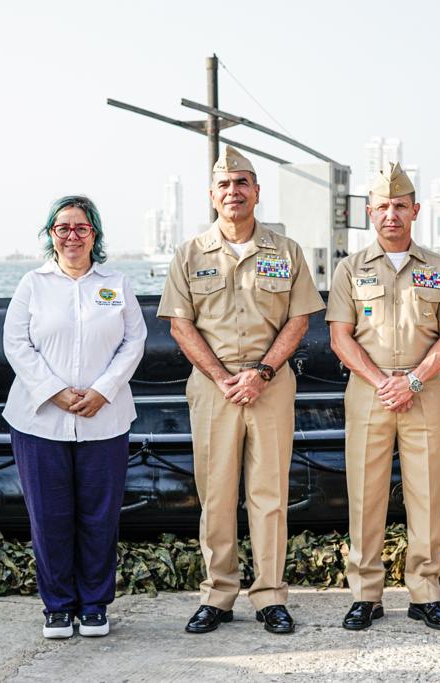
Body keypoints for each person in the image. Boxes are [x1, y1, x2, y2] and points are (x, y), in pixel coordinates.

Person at [158, 146, 325, 635]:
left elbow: (299, 318)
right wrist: (221, 376)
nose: (234, 192)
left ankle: (270, 596)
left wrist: (262, 373)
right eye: (225, 185)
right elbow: (180, 325)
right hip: (213, 388)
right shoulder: (190, 254)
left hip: (270, 385)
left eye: (242, 183)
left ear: (256, 191)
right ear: (213, 196)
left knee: (269, 494)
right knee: (215, 494)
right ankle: (218, 594)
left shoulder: (285, 251)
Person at [327, 162, 440, 632]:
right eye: (383, 206)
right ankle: (366, 594)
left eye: (400, 206)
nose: (392, 214)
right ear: (370, 212)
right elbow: (340, 338)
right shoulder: (350, 268)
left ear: (416, 211)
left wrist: (414, 380)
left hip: (423, 390)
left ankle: (425, 593)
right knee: (364, 496)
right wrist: (381, 379)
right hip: (368, 391)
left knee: (427, 494)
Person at [3, 196, 146, 639]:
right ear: (51, 235)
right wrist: (55, 392)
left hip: (105, 420)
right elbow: (16, 343)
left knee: (100, 516)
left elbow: (134, 341)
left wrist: (103, 391)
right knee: (49, 516)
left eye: (81, 228)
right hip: (40, 421)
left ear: (94, 235)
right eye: (62, 228)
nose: (71, 236)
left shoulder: (116, 284)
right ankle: (59, 606)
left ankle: (95, 604)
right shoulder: (33, 284)